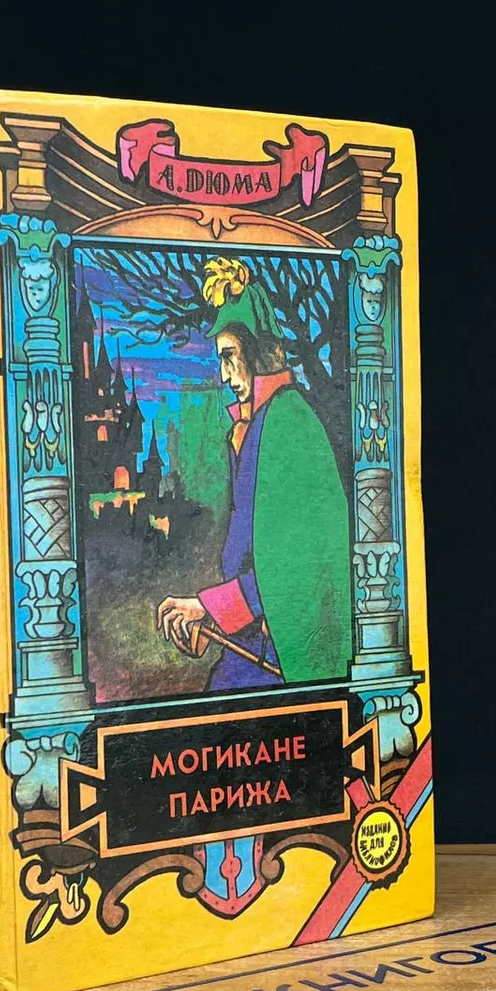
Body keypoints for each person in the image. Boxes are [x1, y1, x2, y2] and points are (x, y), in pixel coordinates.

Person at [157, 257, 351, 690]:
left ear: (257, 352)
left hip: (284, 651)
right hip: (253, 638)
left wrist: (211, 607)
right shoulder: (253, 424)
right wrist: (216, 617)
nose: (225, 375)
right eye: (221, 360)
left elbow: (297, 566)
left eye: (230, 357)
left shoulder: (289, 424)